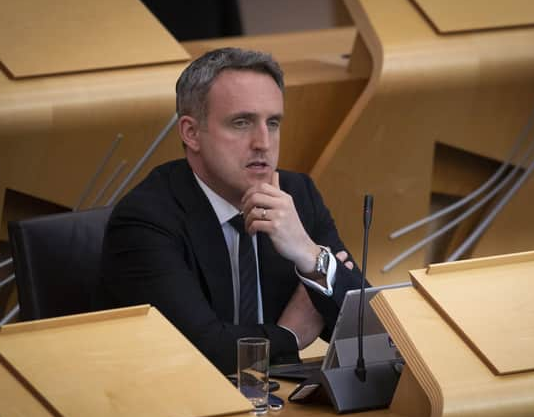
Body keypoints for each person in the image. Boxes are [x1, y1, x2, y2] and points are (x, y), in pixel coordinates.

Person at [99, 47, 362, 374]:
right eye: (241, 123)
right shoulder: (146, 221)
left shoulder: (297, 195)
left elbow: (365, 330)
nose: (263, 142)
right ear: (191, 133)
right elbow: (204, 354)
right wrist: (290, 336)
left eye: (274, 123)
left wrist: (310, 258)